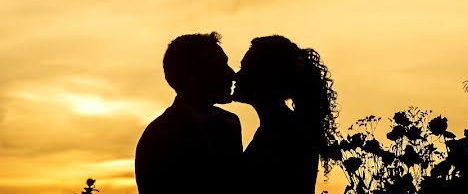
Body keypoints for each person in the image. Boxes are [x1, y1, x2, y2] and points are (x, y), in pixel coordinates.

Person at [135, 32, 242, 194]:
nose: (231, 74)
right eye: (219, 67)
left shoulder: (231, 123)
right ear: (192, 76)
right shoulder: (158, 136)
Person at [233, 36, 338, 194]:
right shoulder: (284, 127)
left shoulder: (288, 133)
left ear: (266, 78)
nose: (236, 75)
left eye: (245, 68)